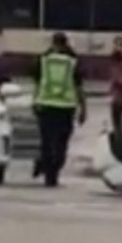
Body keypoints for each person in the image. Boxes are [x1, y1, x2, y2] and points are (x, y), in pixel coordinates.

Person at [32, 32, 87, 187]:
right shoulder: (73, 62)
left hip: (45, 105)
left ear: (53, 43)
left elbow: (37, 84)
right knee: (61, 143)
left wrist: (34, 102)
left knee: (46, 142)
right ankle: (53, 170)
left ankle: (47, 171)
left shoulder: (43, 60)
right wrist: (83, 109)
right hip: (66, 108)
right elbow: (79, 88)